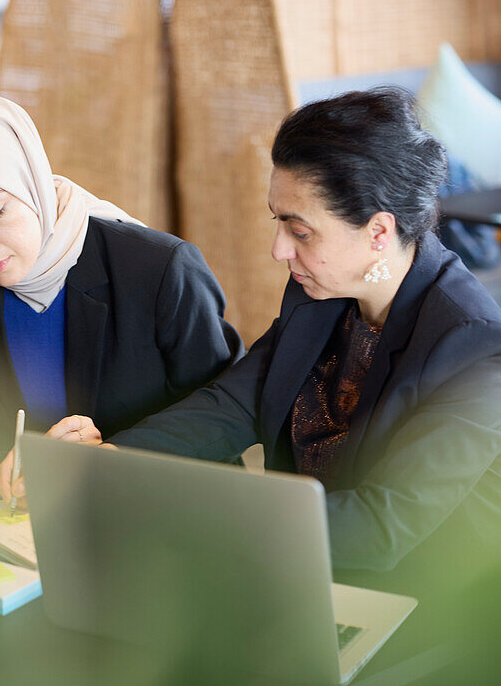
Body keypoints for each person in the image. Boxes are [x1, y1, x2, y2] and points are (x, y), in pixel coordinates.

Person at [56, 88, 501, 598]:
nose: (278, 249)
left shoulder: (474, 344)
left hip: (414, 602)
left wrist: (183, 512)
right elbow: (233, 403)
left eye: (300, 230)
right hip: (296, 568)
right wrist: (113, 459)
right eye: (278, 221)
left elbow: (383, 527)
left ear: (379, 231)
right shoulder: (323, 289)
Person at [0, 94, 242, 501]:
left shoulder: (158, 270)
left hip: (157, 500)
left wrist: (111, 455)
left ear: (31, 185)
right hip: (26, 506)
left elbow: (224, 418)